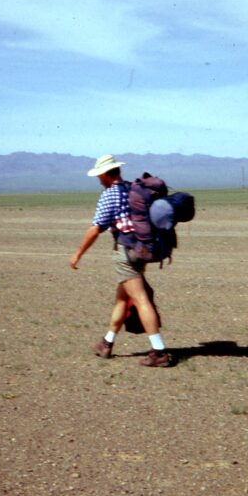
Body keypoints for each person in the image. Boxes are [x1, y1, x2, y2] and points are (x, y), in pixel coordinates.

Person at [69, 154, 173, 367]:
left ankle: (159, 352)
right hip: (142, 249)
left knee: (140, 299)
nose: (98, 179)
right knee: (123, 299)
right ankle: (106, 343)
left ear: (107, 175)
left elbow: (96, 228)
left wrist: (78, 254)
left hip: (125, 252)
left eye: (99, 175)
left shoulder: (110, 194)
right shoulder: (132, 189)